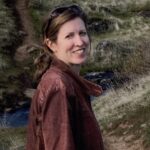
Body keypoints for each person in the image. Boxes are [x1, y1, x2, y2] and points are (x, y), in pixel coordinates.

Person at [26, 4, 104, 150]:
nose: (80, 42)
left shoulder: (65, 80)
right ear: (51, 44)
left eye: (82, 33)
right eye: (69, 36)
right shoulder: (58, 85)